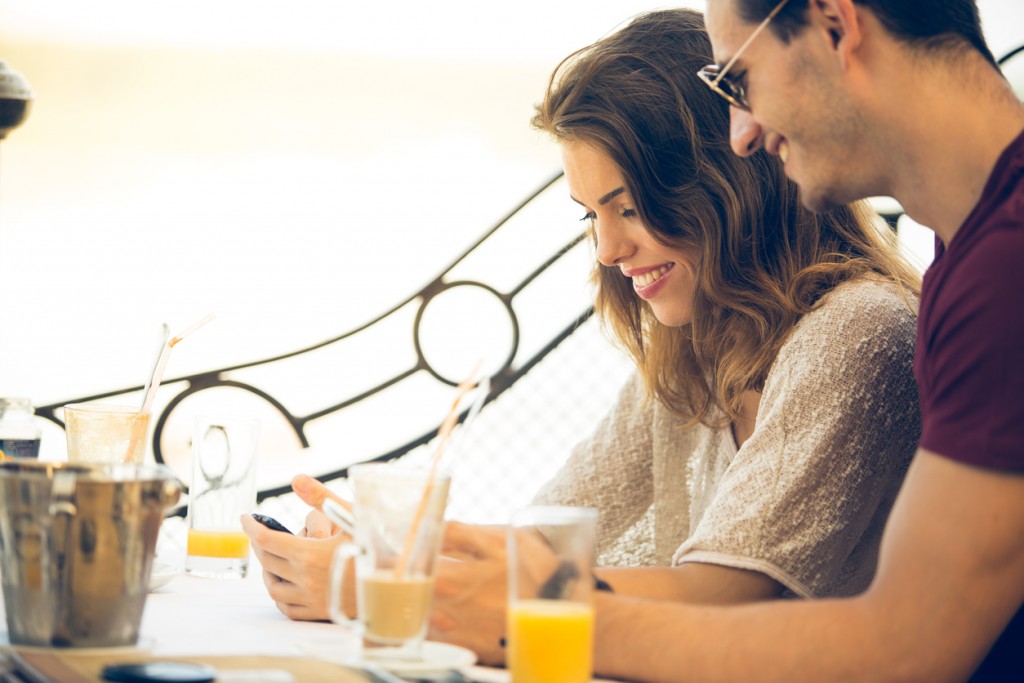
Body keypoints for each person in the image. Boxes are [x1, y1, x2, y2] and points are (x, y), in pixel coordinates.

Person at [243, 5, 923, 648]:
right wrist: (381, 551)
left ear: (721, 184)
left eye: (626, 208)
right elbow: (549, 542)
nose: (607, 249)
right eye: (590, 215)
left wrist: (393, 588)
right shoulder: (696, 352)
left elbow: (721, 593)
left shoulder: (857, 331)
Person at [439, 1, 1024, 681]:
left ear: (836, 24)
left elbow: (909, 642)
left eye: (740, 81)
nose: (740, 134)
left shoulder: (996, 272)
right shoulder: (968, 256)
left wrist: (539, 608)